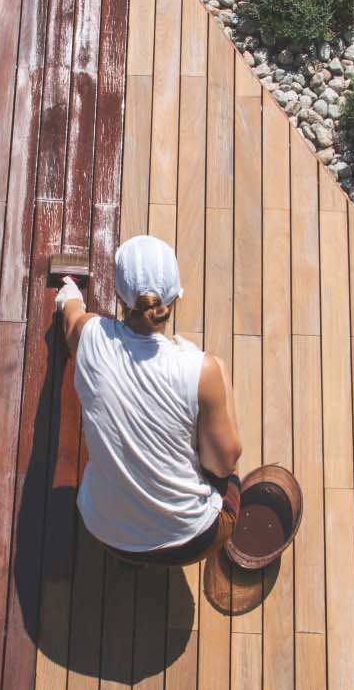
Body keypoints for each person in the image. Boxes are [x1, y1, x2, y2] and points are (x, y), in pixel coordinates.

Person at [53, 235, 243, 567]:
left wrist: (69, 292)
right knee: (229, 462)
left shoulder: (91, 337)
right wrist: (219, 376)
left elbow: (70, 318)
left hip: (106, 532)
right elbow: (222, 465)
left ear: (118, 296)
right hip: (192, 540)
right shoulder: (201, 369)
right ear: (176, 299)